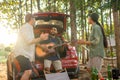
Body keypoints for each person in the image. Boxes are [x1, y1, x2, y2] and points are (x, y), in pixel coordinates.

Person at [14, 13, 49, 80]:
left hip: (25, 55)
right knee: (28, 71)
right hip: (22, 54)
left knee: (25, 72)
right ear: (31, 19)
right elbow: (29, 41)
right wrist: (40, 38)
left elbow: (32, 42)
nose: (35, 20)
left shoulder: (29, 28)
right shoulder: (26, 27)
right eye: (34, 19)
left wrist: (42, 47)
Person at [78, 13, 105, 79]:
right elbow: (91, 42)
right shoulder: (93, 28)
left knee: (96, 71)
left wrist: (85, 42)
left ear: (91, 19)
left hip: (97, 53)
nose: (88, 19)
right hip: (92, 53)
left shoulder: (96, 27)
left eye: (88, 17)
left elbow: (96, 41)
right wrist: (83, 42)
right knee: (89, 68)